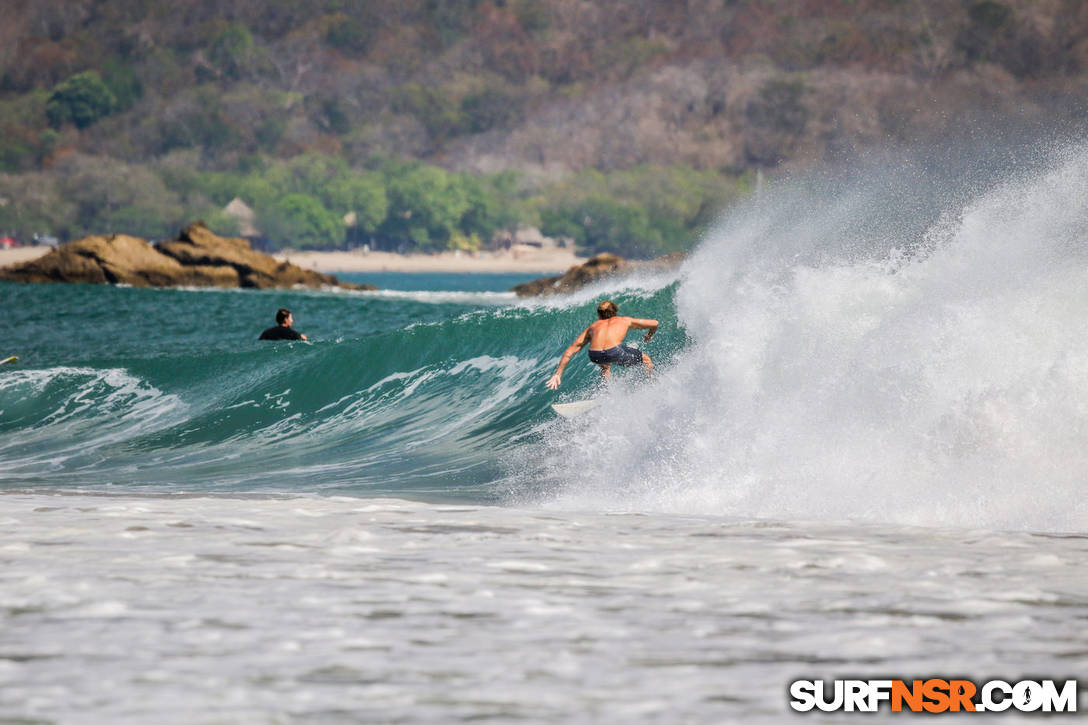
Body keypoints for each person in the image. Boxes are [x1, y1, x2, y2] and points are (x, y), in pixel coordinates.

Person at [546, 300, 657, 389]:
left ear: (599, 314)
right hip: (614, 352)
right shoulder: (624, 320)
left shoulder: (593, 327)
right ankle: (650, 386)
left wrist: (558, 374)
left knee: (605, 365)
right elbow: (655, 323)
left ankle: (607, 393)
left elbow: (569, 352)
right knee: (647, 361)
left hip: (595, 355)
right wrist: (649, 335)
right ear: (615, 312)